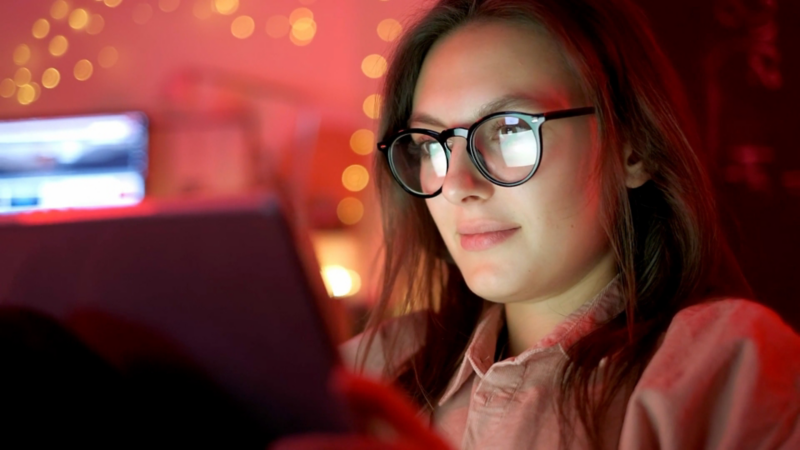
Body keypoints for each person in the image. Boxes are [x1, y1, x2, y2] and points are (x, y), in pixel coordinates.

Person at [276, 0, 800, 448]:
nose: (457, 183)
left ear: (633, 149)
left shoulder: (729, 366)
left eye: (508, 132)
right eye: (433, 146)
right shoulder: (369, 370)